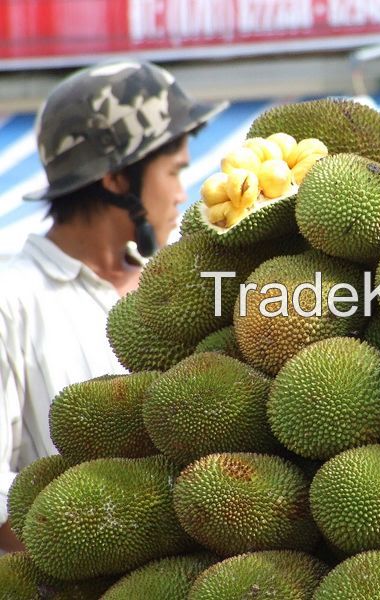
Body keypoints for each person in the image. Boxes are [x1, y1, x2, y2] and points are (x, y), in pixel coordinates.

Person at [0, 59, 228, 551]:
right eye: (174, 171)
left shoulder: (172, 290)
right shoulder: (11, 300)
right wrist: (94, 546)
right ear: (117, 180)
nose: (183, 194)